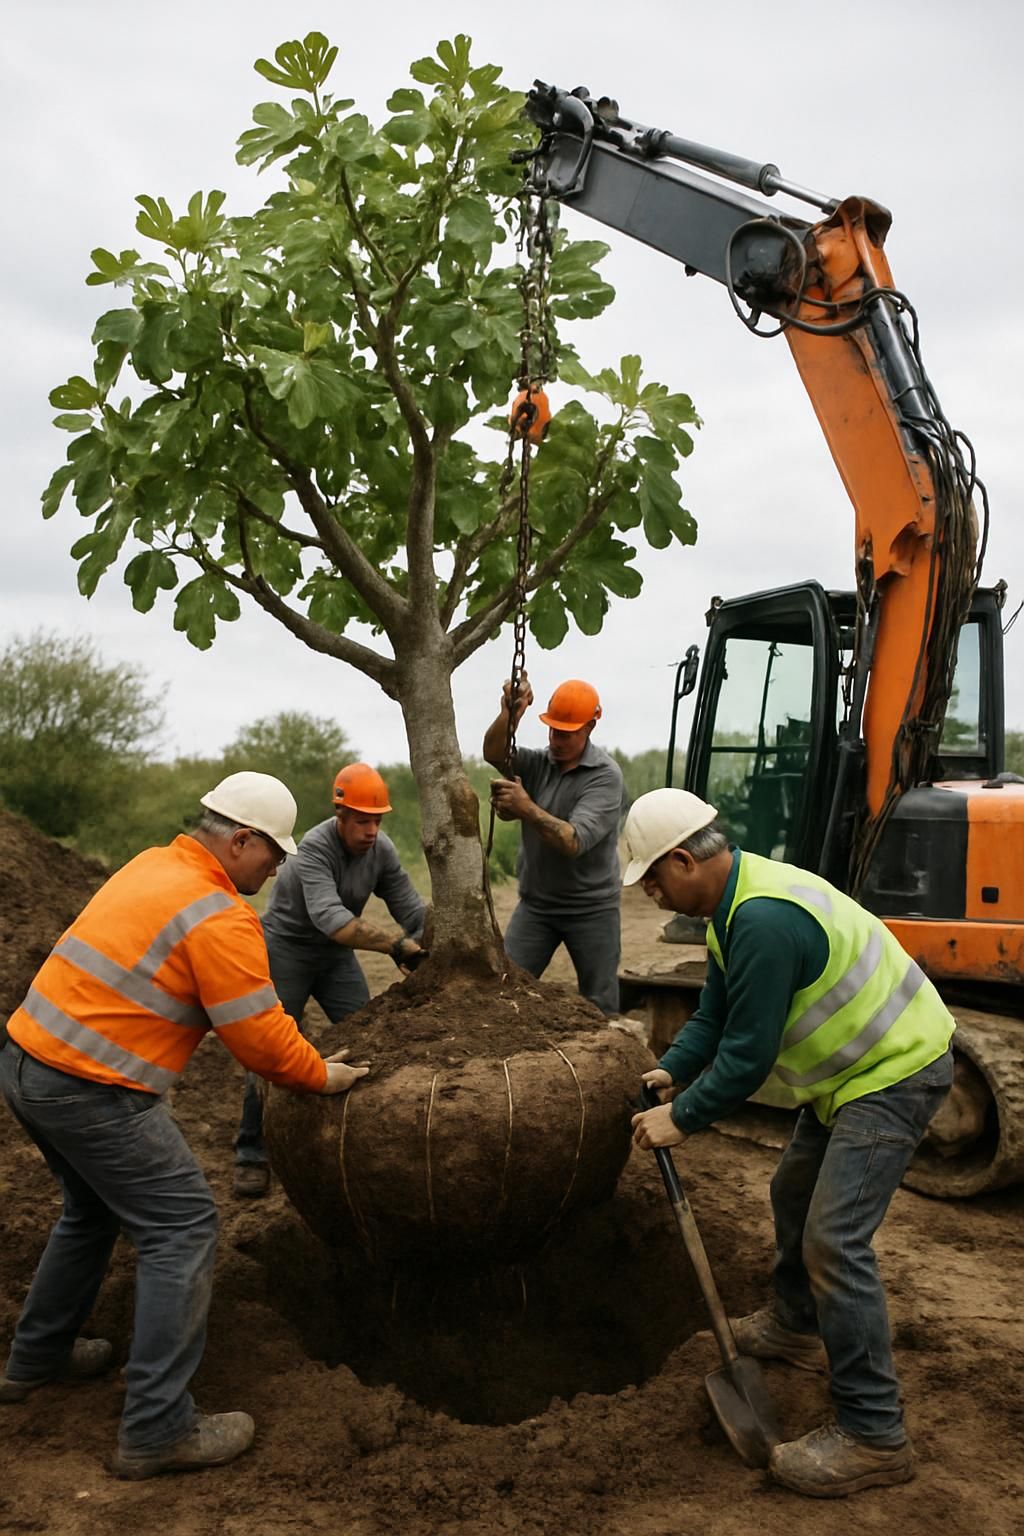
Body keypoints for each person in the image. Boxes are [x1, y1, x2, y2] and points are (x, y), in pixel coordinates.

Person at [0, 772, 369, 1480]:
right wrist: (323, 1074)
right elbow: (258, 1038)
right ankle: (158, 1428)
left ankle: (36, 1358)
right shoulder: (217, 913)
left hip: (26, 1063)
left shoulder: (153, 864)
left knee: (88, 1212)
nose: (277, 867)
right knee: (184, 1227)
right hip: (90, 1088)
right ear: (239, 840)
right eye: (272, 854)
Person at [624, 787, 955, 1499]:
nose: (650, 894)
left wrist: (682, 1117)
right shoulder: (732, 910)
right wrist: (671, 1070)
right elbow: (716, 1015)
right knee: (791, 1192)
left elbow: (746, 1057)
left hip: (895, 1070)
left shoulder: (766, 921)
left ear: (684, 859)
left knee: (834, 1241)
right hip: (849, 1076)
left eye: (653, 878)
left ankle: (874, 1434)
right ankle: (797, 1328)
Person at [233, 762, 426, 1195]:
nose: (371, 830)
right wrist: (397, 946)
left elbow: (411, 908)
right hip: (288, 948)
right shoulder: (314, 849)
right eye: (362, 820)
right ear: (340, 816)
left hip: (335, 957)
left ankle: (357, 1135)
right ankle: (251, 1153)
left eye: (377, 820)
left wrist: (435, 940)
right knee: (269, 1049)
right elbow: (332, 920)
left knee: (365, 1031)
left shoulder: (383, 850)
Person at [483, 674, 624, 1016]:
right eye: (552, 730)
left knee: (600, 1004)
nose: (556, 739)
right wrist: (511, 713)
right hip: (537, 907)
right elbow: (493, 752)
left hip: (592, 908)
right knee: (504, 990)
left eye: (566, 733)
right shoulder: (538, 763)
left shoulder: (605, 776)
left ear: (590, 727)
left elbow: (573, 840)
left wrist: (524, 807)